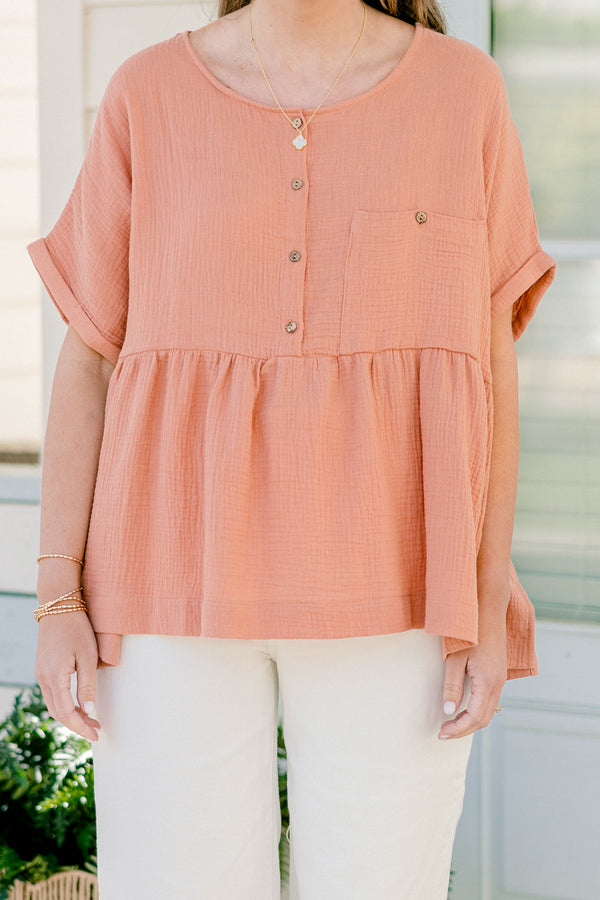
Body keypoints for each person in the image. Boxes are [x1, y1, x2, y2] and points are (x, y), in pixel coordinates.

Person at [26, 0, 557, 897]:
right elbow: (90, 361)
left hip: (400, 593)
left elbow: (489, 366)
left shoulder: (464, 92)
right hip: (164, 586)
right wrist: (57, 594)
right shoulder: (146, 94)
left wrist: (486, 590)